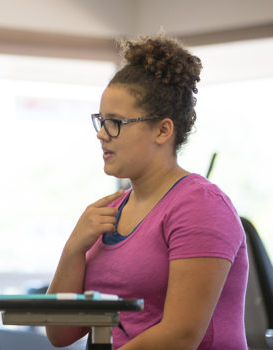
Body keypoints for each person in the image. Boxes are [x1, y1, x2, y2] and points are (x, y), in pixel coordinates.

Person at [45, 34, 248, 349]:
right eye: (101, 121)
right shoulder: (110, 211)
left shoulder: (200, 205)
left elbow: (180, 336)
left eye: (115, 122)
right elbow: (60, 332)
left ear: (163, 130)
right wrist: (74, 248)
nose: (101, 134)